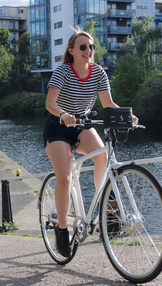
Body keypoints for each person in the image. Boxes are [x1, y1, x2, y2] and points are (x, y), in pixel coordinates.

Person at [43, 26, 137, 257]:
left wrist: (127, 115)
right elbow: (50, 103)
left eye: (91, 47)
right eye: (83, 47)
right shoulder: (63, 72)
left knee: (103, 156)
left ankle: (106, 207)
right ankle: (62, 230)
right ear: (72, 51)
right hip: (58, 127)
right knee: (64, 178)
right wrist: (63, 114)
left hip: (82, 125)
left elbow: (108, 104)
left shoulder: (98, 73)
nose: (89, 50)